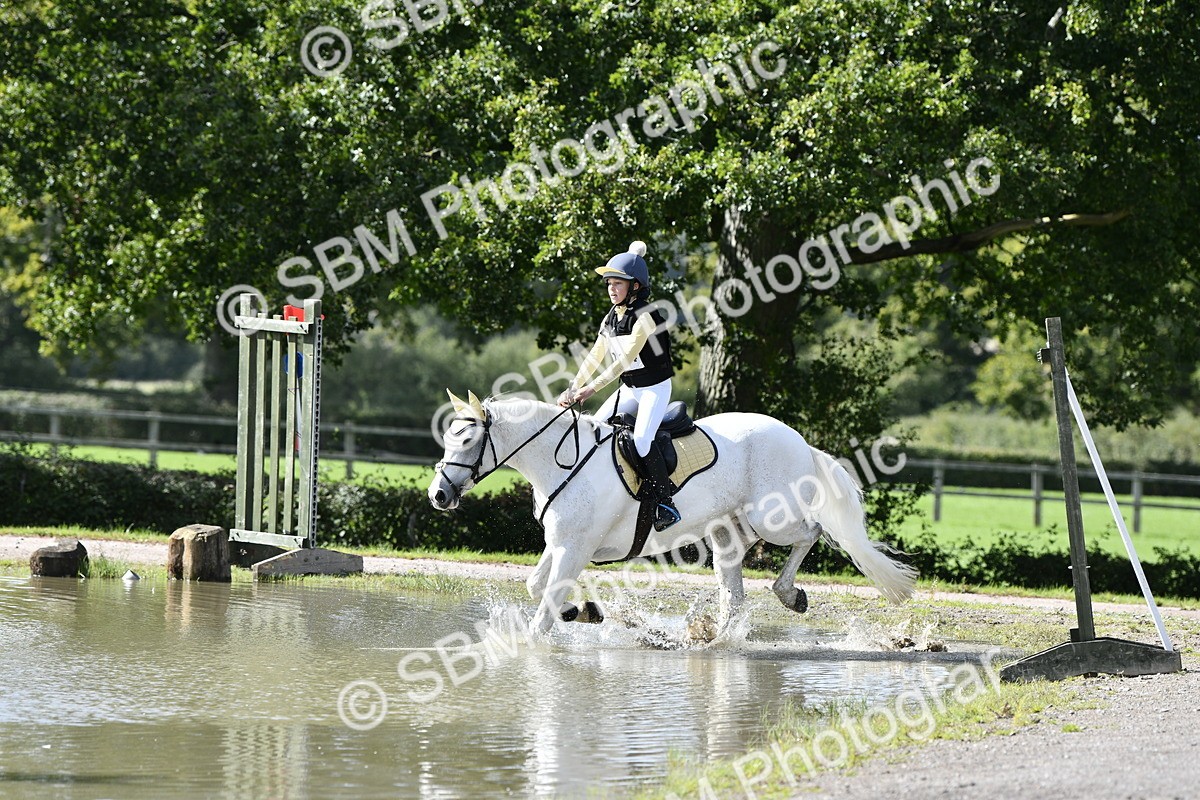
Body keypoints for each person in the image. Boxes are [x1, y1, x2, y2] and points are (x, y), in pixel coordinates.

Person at [557, 240, 680, 531]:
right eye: (609, 283)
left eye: (618, 283)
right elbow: (595, 355)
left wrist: (591, 390)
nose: (612, 288)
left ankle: (665, 503)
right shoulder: (612, 317)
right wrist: (574, 385)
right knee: (595, 431)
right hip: (629, 389)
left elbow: (623, 361)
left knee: (641, 441)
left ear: (635, 286)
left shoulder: (646, 316)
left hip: (654, 389)